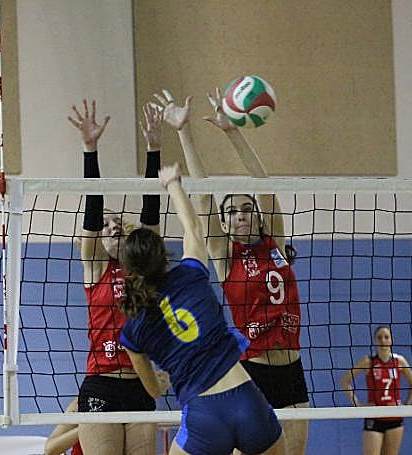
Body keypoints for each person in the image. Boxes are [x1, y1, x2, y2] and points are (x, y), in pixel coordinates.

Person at [153, 88, 309, 455]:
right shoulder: (225, 257)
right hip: (252, 373)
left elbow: (263, 185)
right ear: (224, 223)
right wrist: (184, 131)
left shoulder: (275, 242)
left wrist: (232, 131)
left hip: (292, 369)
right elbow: (203, 199)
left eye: (247, 209)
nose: (241, 215)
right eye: (232, 212)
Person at [118, 162, 285, 455]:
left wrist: (162, 380)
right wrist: (172, 183)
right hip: (248, 401)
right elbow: (194, 228)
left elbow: (154, 390)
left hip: (204, 414)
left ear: (128, 270)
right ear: (162, 255)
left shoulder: (133, 330)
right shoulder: (191, 274)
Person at [67, 100, 163, 454]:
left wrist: (153, 149)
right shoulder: (95, 266)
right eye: (105, 225)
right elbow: (92, 212)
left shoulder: (142, 267)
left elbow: (150, 212)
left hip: (140, 385)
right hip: (101, 386)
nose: (112, 226)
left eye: (117, 221)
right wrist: (90, 150)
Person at [340, 326, 412, 455]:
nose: (383, 340)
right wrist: (358, 405)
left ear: (391, 340)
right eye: (379, 337)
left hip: (394, 417)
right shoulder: (368, 361)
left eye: (386, 337)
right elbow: (345, 381)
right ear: (375, 341)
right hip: (374, 416)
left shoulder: (399, 361)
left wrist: (406, 406)